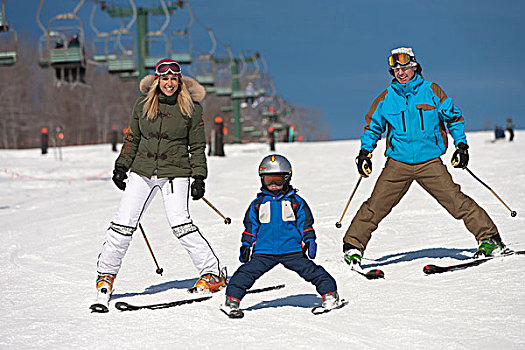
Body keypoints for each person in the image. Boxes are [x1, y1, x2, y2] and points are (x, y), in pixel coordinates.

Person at [342, 47, 507, 270]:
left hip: (429, 162)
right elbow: (372, 127)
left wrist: (461, 146)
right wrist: (365, 153)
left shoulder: (432, 91)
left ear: (415, 67)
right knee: (376, 205)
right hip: (398, 163)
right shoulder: (386, 99)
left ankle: (489, 239)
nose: (400, 73)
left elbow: (455, 118)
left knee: (456, 202)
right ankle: (353, 246)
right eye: (395, 69)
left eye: (404, 68)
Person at [92, 59, 226, 311]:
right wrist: (122, 166)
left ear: (180, 81)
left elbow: (197, 146)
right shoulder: (142, 105)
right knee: (123, 223)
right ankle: (105, 277)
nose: (169, 83)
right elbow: (132, 138)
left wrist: (199, 177)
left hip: (176, 173)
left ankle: (212, 274)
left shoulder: (191, 108)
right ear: (157, 81)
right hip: (142, 170)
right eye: (164, 79)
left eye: (174, 79)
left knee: (180, 223)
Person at [220, 154, 341, 318]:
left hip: (291, 250)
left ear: (287, 178)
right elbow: (250, 226)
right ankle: (232, 301)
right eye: (269, 180)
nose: (274, 185)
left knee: (313, 272)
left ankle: (330, 295)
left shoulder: (296, 202)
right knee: (245, 274)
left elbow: (305, 223)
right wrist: (246, 245)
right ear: (262, 180)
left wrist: (310, 240)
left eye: (278, 180)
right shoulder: (258, 204)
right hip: (264, 251)